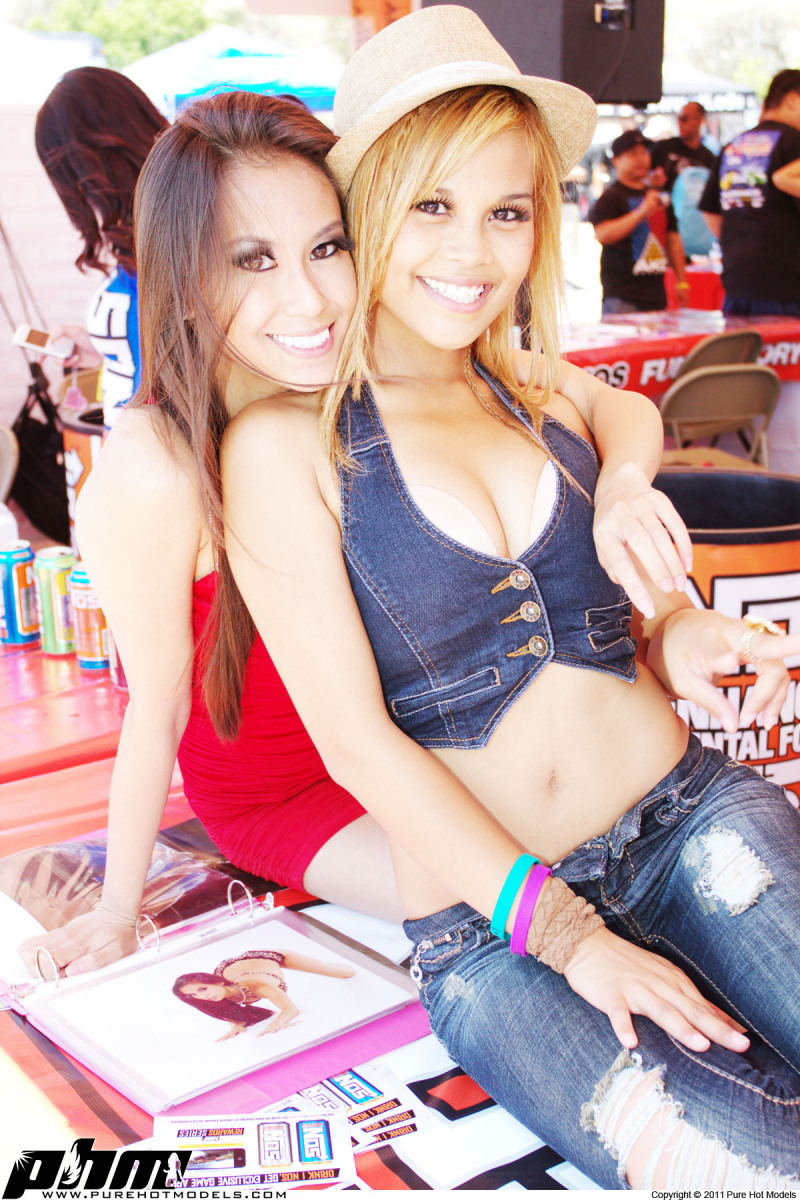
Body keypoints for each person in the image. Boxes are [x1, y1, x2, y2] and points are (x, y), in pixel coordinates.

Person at [222, 7, 800, 1188]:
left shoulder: (525, 383)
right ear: (363, 210)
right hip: (497, 930)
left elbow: (622, 415)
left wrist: (665, 599)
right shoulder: (287, 444)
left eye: (506, 210)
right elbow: (355, 746)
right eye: (431, 206)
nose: (473, 252)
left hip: (690, 819)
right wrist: (570, 938)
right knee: (755, 1169)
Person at [18, 86, 695, 981]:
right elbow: (158, 706)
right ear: (182, 281)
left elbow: (604, 402)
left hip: (425, 741)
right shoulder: (157, 464)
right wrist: (116, 913)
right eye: (251, 260)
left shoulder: (372, 368)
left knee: (622, 859)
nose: (306, 300)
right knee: (526, 913)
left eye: (326, 247)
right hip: (295, 792)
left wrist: (622, 487)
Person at [34, 67, 168, 429]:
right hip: (133, 450)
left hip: (152, 455)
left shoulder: (170, 237)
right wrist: (103, 349)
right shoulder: (141, 233)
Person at [699, 69, 800, 317]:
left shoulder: (734, 145)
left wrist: (740, 244)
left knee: (744, 344)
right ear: (792, 99)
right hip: (785, 283)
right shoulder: (795, 142)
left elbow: (709, 211)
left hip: (737, 279)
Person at [589, 129, 689, 314]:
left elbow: (673, 238)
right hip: (622, 298)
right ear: (616, 161)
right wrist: (641, 213)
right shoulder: (612, 196)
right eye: (633, 154)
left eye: (644, 152)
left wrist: (682, 281)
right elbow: (603, 234)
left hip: (657, 296)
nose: (641, 158)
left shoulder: (658, 195)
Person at [173, 950, 355, 1040]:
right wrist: (236, 1024)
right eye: (193, 995)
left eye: (202, 989)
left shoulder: (255, 984)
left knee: (346, 972)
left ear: (217, 982)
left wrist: (277, 1023)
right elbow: (231, 1006)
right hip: (232, 969)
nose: (202, 997)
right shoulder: (217, 994)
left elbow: (290, 1008)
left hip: (268, 958)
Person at [651, 103, 717, 259]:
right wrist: (650, 180)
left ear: (699, 120)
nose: (679, 123)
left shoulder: (709, 157)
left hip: (693, 230)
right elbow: (643, 177)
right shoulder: (663, 148)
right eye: (678, 118)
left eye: (684, 118)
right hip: (663, 224)